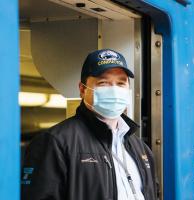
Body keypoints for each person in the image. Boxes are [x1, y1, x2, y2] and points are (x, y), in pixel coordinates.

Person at [21, 49, 158, 200]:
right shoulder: (55, 142)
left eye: (120, 83)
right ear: (82, 89)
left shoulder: (140, 149)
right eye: (103, 83)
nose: (114, 90)